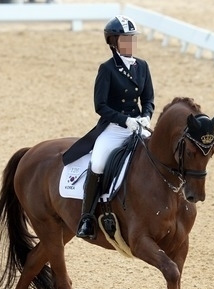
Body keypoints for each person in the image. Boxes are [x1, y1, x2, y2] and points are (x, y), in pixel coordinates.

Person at [62, 15, 155, 239]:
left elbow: (148, 98)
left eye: (133, 38)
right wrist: (125, 120)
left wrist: (146, 116)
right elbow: (100, 105)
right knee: (99, 163)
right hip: (114, 128)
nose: (131, 43)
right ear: (114, 42)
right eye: (126, 39)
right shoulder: (107, 69)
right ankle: (87, 217)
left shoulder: (142, 66)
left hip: (138, 126)